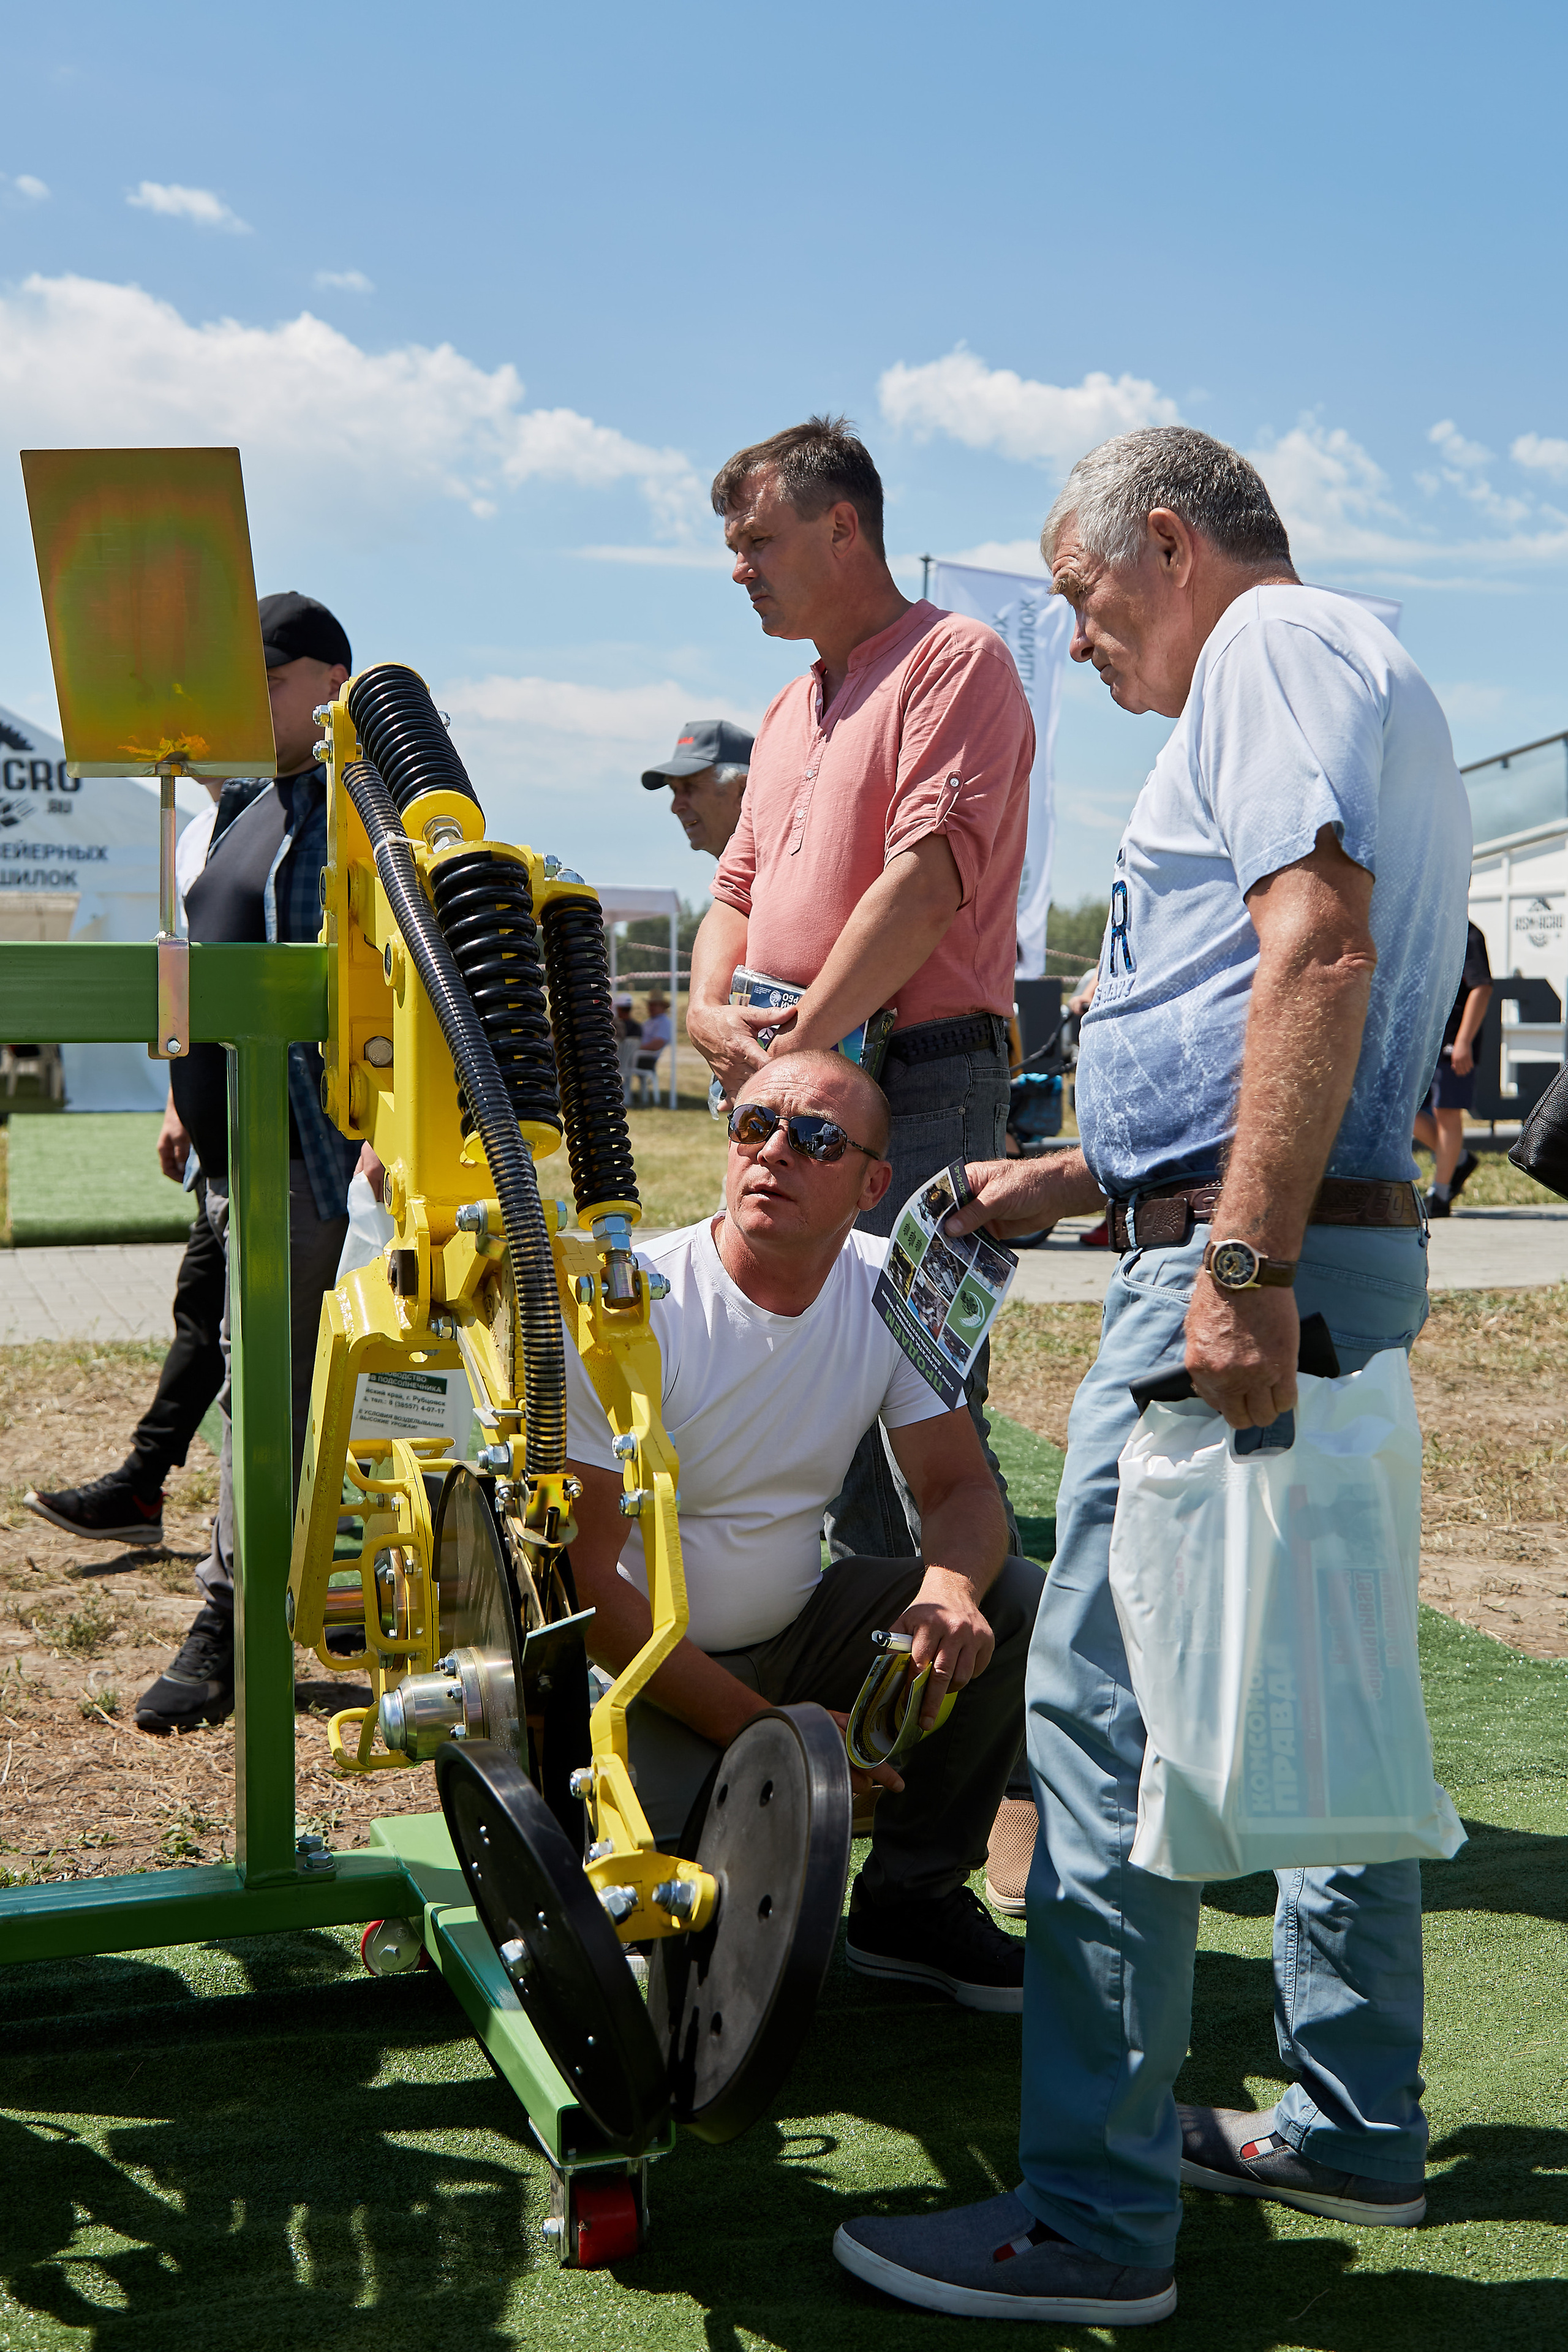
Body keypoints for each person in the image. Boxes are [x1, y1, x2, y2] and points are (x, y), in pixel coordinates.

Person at [832, 426, 1469, 2325]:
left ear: (1169, 544)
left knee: (1103, 1727)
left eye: (1089, 603)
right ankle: (1356, 2119)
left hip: (1246, 1258)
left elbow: (1316, 945)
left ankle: (1091, 2219)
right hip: (1320, 1236)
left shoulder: (1265, 656)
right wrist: (1070, 1172)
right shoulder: (1370, 661)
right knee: (1316, 1680)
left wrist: (1234, 1258)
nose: (1088, 648)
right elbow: (1268, 987)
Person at [565, 1046, 1043, 2007]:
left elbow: (960, 1490)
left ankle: (911, 1907)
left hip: (798, 1635)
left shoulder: (894, 1291)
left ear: (874, 1184)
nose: (773, 1151)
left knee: (1013, 1596)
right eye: (753, 1125)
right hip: (642, 1678)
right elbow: (582, 1582)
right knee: (685, 1946)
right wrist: (776, 1736)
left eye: (816, 1138)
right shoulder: (632, 1306)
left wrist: (947, 1593)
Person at [688, 415, 1035, 1567]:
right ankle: (866, 1675)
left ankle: (941, 1702)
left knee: (920, 1406)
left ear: (844, 528)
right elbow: (733, 885)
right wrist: (704, 1008)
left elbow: (928, 884)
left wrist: (791, 1043)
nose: (741, 569)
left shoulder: (956, 660)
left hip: (920, 1071)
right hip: (812, 1068)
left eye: (758, 542)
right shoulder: (791, 706)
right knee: (811, 1382)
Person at [134, 592, 361, 1735]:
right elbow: (195, 952)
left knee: (267, 1398)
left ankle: (227, 1629)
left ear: (328, 681)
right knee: (250, 1387)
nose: (247, 707)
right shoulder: (244, 805)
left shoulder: (364, 806)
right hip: (228, 1155)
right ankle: (279, 1596)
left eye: (266, 685)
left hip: (309, 1162)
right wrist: (181, 1087)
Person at [24, 783, 229, 1550]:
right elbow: (189, 984)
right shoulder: (198, 830)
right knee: (202, 1308)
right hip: (229, 1129)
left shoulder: (322, 813)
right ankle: (142, 1489)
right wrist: (181, 1100)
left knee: (260, 1326)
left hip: (313, 1133)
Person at [1413, 919, 1491, 1215]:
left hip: (1452, 1040)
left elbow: (1481, 987)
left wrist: (1463, 1041)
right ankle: (1458, 1160)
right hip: (1423, 1040)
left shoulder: (1466, 932)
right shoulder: (1425, 928)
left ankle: (1440, 1195)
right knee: (1403, 1111)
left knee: (1446, 1112)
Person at [641, 718, 754, 859]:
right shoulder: (767, 871)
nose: (676, 807)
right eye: (674, 790)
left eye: (691, 787)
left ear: (742, 791)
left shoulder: (779, 872)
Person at [630, 990, 673, 1104]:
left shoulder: (664, 1023)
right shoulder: (650, 1021)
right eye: (650, 1005)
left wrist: (635, 1049)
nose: (650, 1007)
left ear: (662, 1007)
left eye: (654, 1005)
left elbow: (657, 1044)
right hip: (638, 1055)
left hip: (646, 1058)